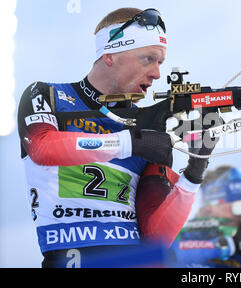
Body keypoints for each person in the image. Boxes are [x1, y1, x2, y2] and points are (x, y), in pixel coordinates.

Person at [17, 7, 217, 268]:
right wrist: (129, 143)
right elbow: (42, 148)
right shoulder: (46, 94)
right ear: (110, 55)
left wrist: (193, 175)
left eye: (160, 63)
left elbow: (156, 236)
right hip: (73, 258)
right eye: (148, 59)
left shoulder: (148, 127)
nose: (157, 73)